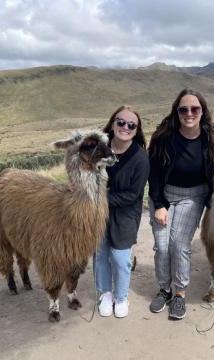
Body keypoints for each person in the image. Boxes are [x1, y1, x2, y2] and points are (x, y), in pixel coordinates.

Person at [148, 89, 214, 320]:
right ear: (176, 111)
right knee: (162, 246)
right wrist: (160, 204)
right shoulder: (164, 137)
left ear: (202, 110)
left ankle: (179, 293)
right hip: (164, 195)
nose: (189, 113)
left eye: (195, 109)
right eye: (183, 109)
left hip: (194, 196)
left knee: (179, 245)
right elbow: (155, 174)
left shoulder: (213, 137)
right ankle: (164, 289)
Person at [94, 105, 150, 318]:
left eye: (131, 124)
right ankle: (105, 293)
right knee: (100, 253)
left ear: (136, 130)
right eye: (121, 122)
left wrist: (102, 198)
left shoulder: (140, 157)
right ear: (113, 122)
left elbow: (134, 195)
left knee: (119, 256)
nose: (125, 127)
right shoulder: (99, 147)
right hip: (98, 212)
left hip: (125, 212)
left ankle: (121, 296)